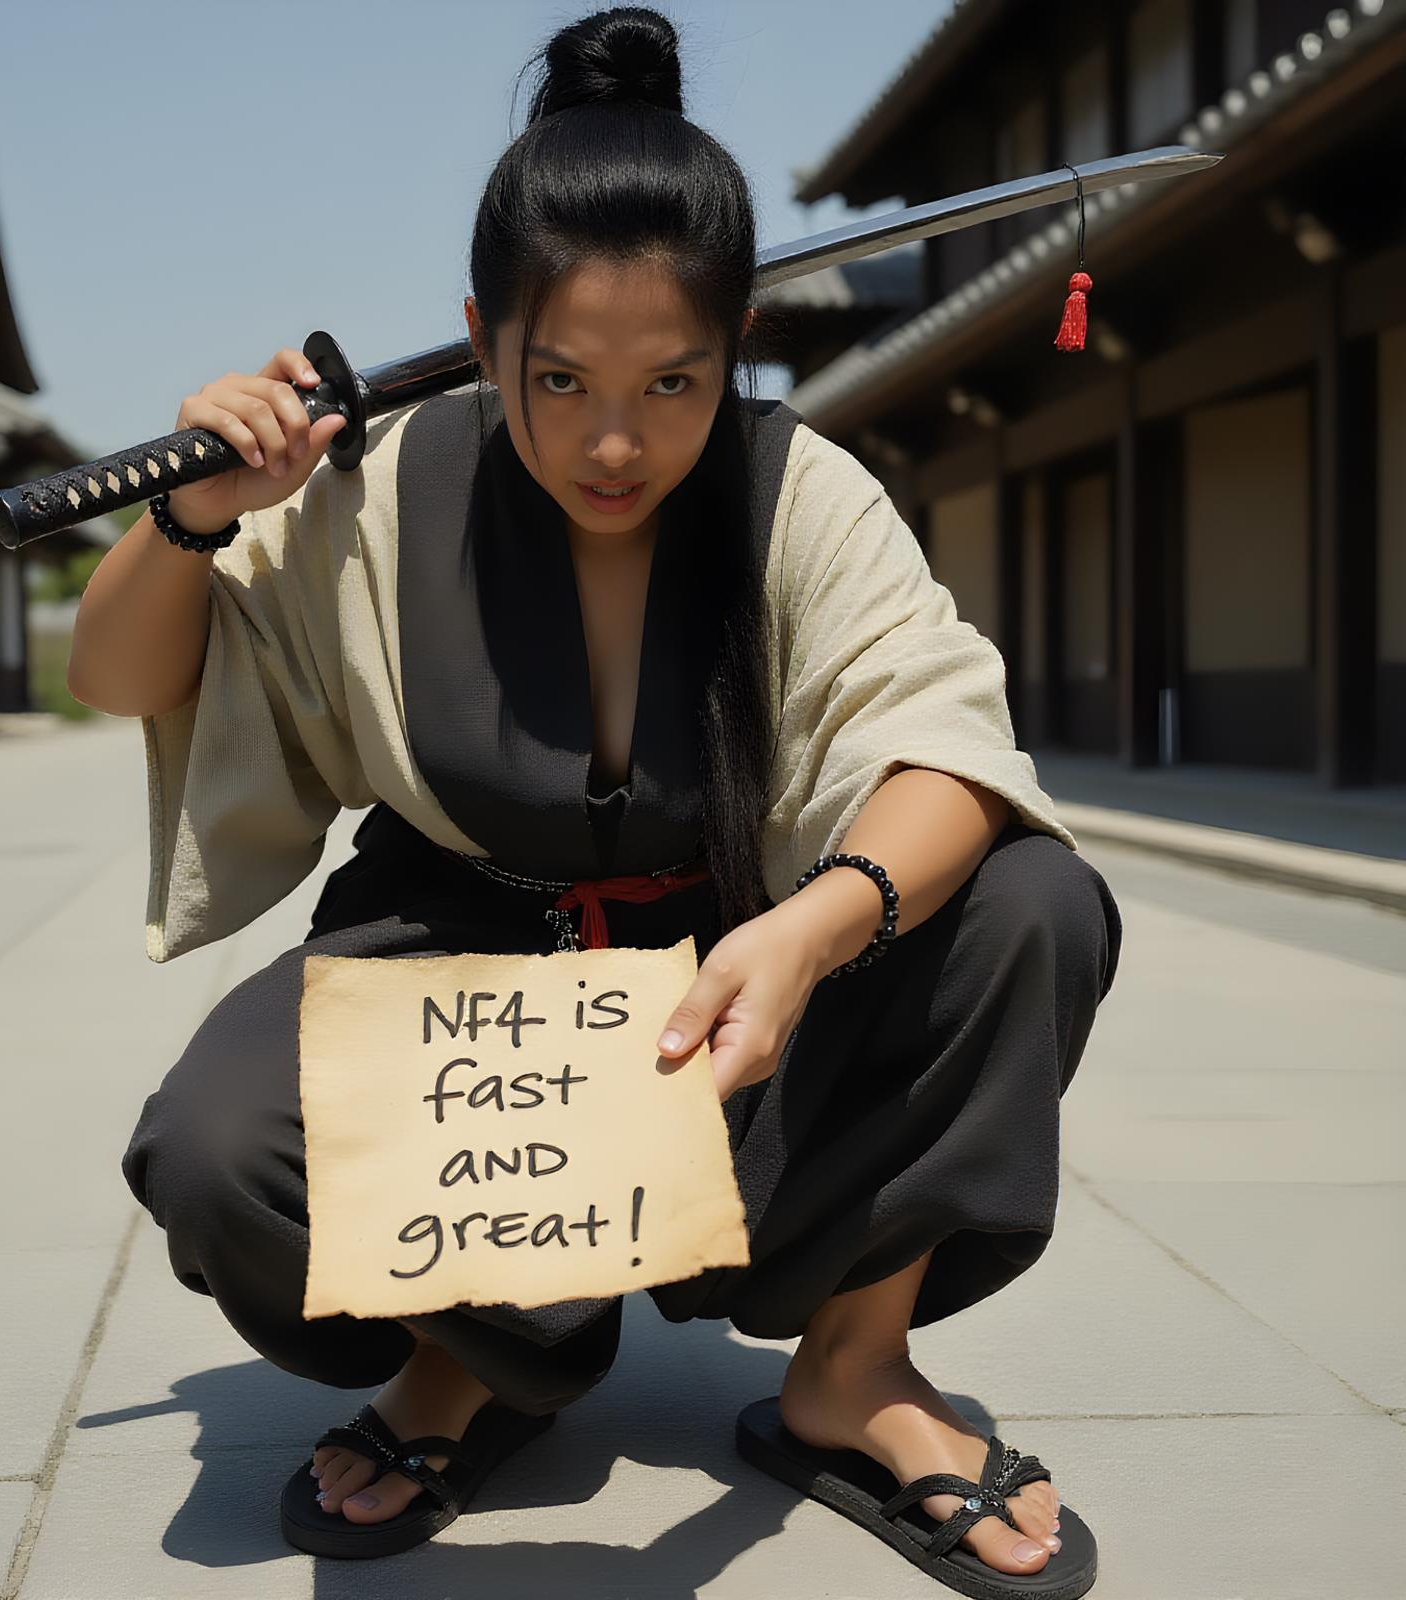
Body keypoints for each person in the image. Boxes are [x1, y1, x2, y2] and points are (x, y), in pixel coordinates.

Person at [71, 8, 1121, 1594]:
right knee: (220, 1147)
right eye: (556, 377)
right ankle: (475, 1352)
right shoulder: (379, 487)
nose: (614, 439)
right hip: (461, 974)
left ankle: (853, 1365)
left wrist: (814, 935)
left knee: (1028, 905)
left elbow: (945, 745)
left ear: (737, 345)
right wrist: (193, 519)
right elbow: (121, 679)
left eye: (675, 381)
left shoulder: (796, 486)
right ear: (479, 333)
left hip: (730, 993)